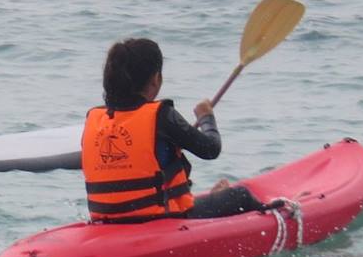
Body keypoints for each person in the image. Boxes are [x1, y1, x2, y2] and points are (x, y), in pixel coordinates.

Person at [81, 37, 272, 222]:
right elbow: (211, 149)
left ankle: (215, 198)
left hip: (108, 220)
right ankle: (275, 216)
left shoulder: (95, 119)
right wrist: (206, 118)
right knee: (240, 195)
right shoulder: (161, 116)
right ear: (155, 79)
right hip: (160, 218)